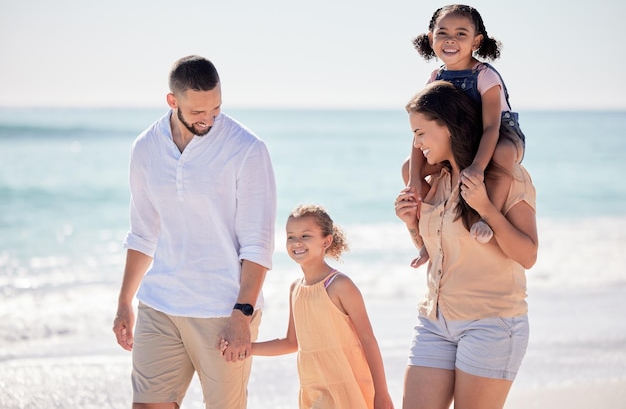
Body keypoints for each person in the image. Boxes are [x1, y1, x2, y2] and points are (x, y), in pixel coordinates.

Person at [112, 55, 277, 409]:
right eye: (199, 112)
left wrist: (241, 314)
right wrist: (125, 301)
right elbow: (142, 232)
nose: (209, 119)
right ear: (172, 101)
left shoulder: (247, 149)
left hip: (222, 311)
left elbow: (258, 244)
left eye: (216, 108)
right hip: (160, 304)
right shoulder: (145, 148)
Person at [394, 81, 538, 409]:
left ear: (447, 128)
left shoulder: (508, 177)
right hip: (435, 320)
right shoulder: (438, 182)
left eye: (420, 133)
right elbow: (435, 249)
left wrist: (485, 207)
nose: (416, 145)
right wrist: (412, 223)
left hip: (492, 323)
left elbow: (528, 255)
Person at [225, 204, 394, 409]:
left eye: (305, 236)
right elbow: (291, 342)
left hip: (347, 388)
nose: (297, 242)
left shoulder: (340, 285)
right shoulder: (296, 289)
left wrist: (382, 393)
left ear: (327, 241)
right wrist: (247, 349)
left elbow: (368, 340)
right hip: (313, 390)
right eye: (290, 236)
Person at [403, 4, 526, 248]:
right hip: (461, 140)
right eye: (443, 33)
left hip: (499, 135)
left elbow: (492, 127)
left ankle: (484, 218)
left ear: (476, 41)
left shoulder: (485, 76)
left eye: (461, 33)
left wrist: (478, 168)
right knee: (409, 167)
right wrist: (414, 179)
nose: (451, 40)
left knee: (503, 153)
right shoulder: (435, 78)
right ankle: (430, 228)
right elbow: (422, 126)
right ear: (431, 38)